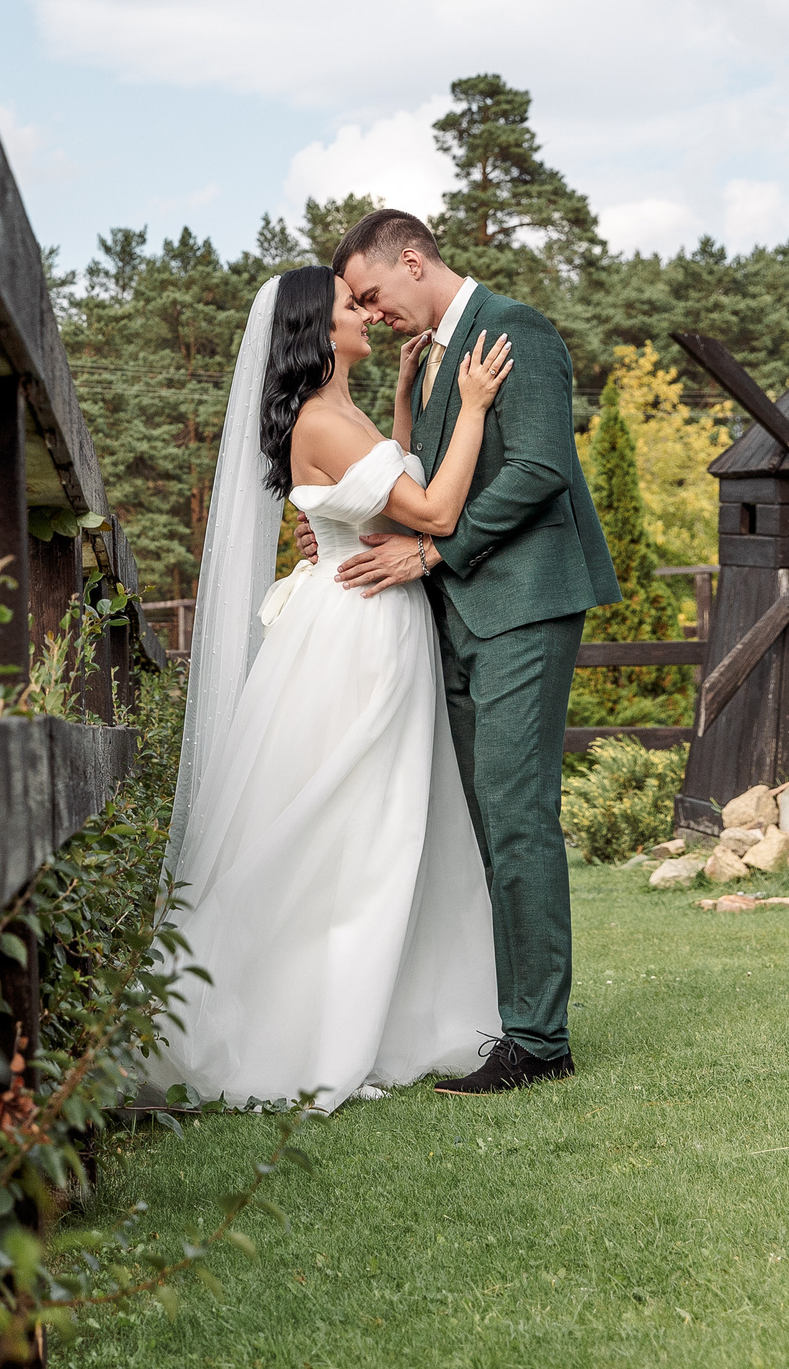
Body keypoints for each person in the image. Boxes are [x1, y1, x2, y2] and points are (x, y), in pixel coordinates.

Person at [144, 262, 509, 1110]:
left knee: (377, 822)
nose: (369, 315)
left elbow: (374, 489)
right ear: (318, 329)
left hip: (365, 615)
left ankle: (367, 1012)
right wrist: (478, 407)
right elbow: (436, 511)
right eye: (353, 306)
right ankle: (307, 1029)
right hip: (360, 632)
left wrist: (410, 404)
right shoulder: (321, 416)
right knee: (355, 826)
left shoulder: (340, 410)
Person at [315, 209, 622, 1094]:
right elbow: (414, 478)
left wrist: (434, 551)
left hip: (523, 605)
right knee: (485, 819)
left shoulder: (516, 329)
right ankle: (508, 1014)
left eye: (373, 295)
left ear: (414, 261)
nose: (370, 315)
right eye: (359, 307)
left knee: (516, 812)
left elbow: (538, 468)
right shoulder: (437, 353)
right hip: (458, 616)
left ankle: (538, 1042)